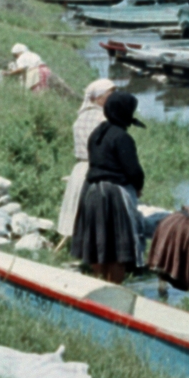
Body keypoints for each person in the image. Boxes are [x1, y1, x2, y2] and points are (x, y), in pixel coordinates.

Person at [71, 90, 146, 283]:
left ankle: (99, 283)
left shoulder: (97, 133)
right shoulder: (121, 137)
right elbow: (133, 171)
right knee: (117, 250)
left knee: (98, 245)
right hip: (113, 194)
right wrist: (138, 187)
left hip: (91, 191)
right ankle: (114, 288)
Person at [56, 77, 115, 239]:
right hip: (99, 168)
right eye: (110, 94)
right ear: (98, 97)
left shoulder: (82, 116)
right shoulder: (103, 119)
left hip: (81, 168)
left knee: (77, 207)